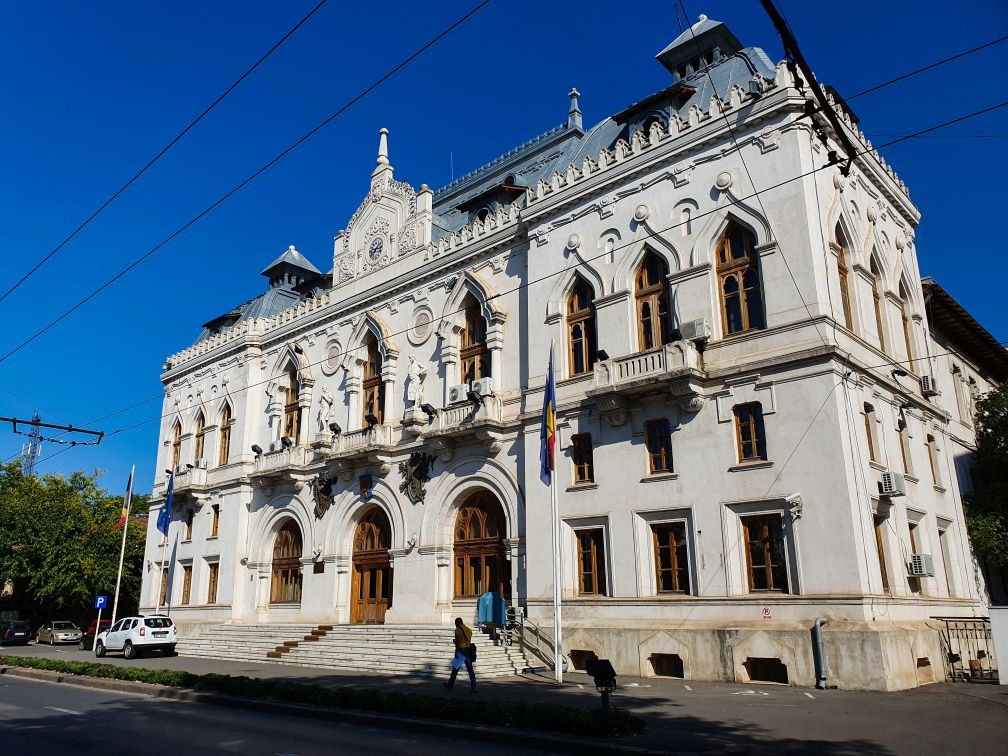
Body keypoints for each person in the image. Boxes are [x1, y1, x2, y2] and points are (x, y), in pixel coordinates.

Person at [444, 617, 476, 692]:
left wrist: (456, 651)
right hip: (468, 650)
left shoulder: (457, 630)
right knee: (470, 670)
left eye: (455, 624)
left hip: (461, 651)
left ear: (457, 623)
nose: (455, 626)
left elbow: (458, 642)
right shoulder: (469, 630)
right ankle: (473, 687)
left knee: (455, 669)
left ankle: (450, 685)